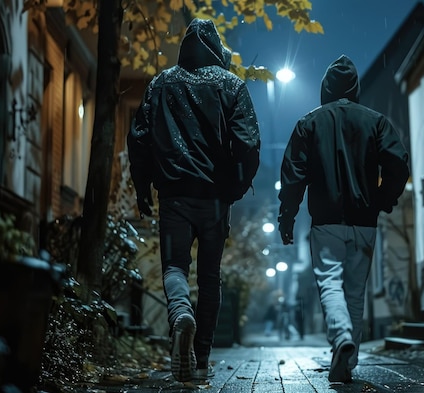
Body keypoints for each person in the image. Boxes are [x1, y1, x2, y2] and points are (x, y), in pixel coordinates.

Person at [127, 18, 260, 384]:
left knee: (174, 267)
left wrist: (143, 189)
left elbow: (137, 138)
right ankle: (201, 359)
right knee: (211, 277)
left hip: (173, 195)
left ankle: (180, 313)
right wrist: (235, 186)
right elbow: (248, 143)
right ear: (216, 48)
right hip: (216, 198)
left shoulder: (161, 82)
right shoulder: (231, 84)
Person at [277, 55, 409, 383]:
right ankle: (348, 364)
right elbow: (399, 165)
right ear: (355, 88)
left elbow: (293, 174)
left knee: (330, 283)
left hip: (326, 221)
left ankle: (340, 338)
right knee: (355, 291)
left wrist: (287, 216)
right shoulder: (376, 122)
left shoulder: (309, 123)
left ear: (325, 88)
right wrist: (381, 200)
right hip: (364, 222)